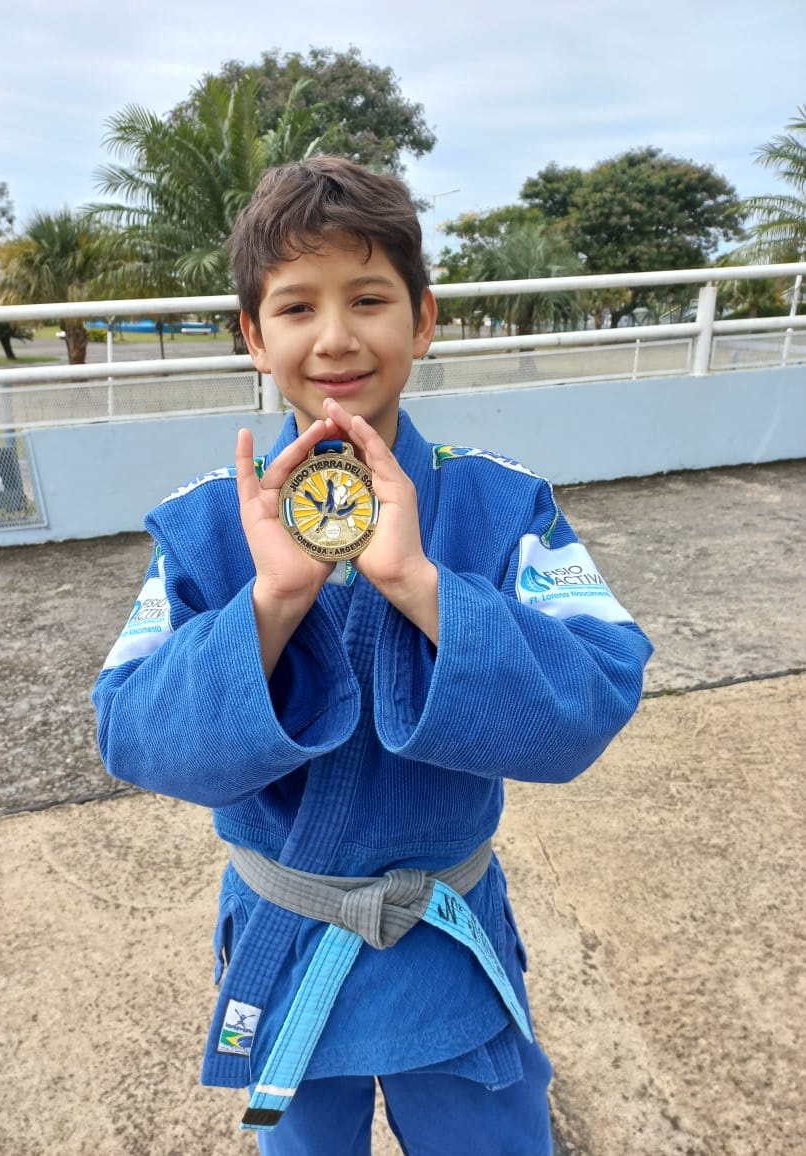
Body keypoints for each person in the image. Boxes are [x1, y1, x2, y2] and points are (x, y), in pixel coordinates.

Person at [92, 156, 653, 1156]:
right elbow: (131, 731)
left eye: (369, 298)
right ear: (254, 337)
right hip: (286, 944)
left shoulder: (498, 505)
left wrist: (423, 588)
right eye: (298, 306)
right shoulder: (205, 528)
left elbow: (596, 695)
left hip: (449, 951)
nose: (338, 336)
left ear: (424, 319)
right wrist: (271, 602)